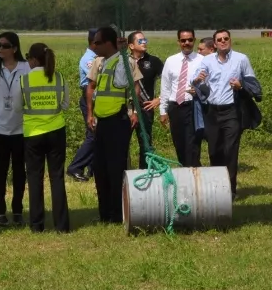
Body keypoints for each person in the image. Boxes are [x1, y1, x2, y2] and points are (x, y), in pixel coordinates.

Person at [192, 29, 260, 199]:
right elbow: (195, 81)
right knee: (215, 150)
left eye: (226, 38)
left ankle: (230, 190)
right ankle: (217, 188)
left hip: (232, 111)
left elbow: (253, 84)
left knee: (230, 150)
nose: (223, 41)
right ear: (214, 44)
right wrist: (197, 80)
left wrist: (240, 86)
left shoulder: (241, 59)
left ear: (230, 40)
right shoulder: (207, 61)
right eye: (219, 39)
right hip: (212, 112)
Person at [87, 26, 141, 223]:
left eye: (98, 42)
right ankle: (105, 213)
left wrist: (134, 111)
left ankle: (117, 214)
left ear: (109, 43)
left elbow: (125, 84)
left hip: (118, 121)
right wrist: (91, 114)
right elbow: (93, 89)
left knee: (115, 168)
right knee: (100, 168)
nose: (94, 45)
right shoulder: (101, 63)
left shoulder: (123, 62)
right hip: (103, 121)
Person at [20, 42, 71, 233]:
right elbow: (65, 105)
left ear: (33, 59)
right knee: (56, 178)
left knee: (35, 178)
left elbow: (18, 106)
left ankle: (36, 225)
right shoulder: (58, 78)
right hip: (56, 131)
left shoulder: (24, 80)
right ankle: (62, 225)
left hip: (33, 133)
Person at [0, 32, 30, 227]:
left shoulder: (26, 68)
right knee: (1, 169)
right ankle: (0, 211)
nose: (0, 49)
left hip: (20, 126)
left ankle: (17, 209)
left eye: (5, 45)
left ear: (15, 48)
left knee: (19, 169)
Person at [160, 29, 204, 167]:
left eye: (190, 40)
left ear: (194, 40)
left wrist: (199, 91)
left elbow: (209, 86)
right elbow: (165, 86)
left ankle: (193, 172)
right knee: (179, 142)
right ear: (178, 42)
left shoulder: (202, 61)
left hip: (193, 105)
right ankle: (184, 170)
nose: (187, 43)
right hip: (175, 106)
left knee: (192, 144)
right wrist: (163, 110)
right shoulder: (171, 61)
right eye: (183, 40)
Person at [127, 30, 164, 169]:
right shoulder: (124, 62)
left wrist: (159, 99)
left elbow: (170, 80)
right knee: (123, 141)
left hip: (146, 107)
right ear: (131, 45)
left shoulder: (153, 61)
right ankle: (125, 171)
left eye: (145, 40)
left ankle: (144, 170)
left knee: (145, 141)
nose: (144, 43)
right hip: (128, 108)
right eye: (140, 41)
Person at [66, 28, 98, 182]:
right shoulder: (89, 60)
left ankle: (93, 168)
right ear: (93, 42)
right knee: (93, 135)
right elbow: (94, 81)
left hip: (96, 100)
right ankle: (75, 167)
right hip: (90, 99)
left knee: (95, 135)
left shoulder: (97, 57)